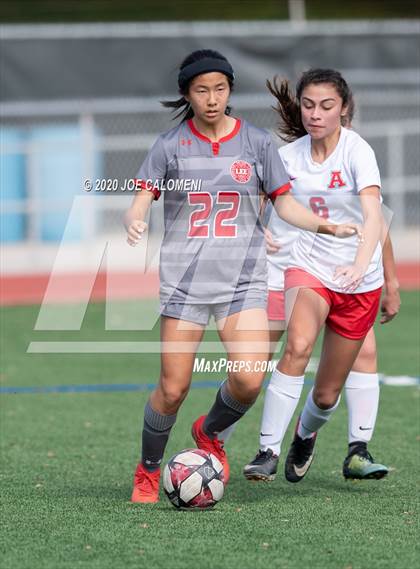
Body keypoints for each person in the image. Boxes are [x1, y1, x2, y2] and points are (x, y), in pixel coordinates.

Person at [124, 52, 359, 503]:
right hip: (185, 284)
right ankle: (148, 470)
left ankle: (209, 430)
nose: (211, 99)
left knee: (250, 379)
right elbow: (143, 194)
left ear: (229, 90)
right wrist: (135, 215)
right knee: (172, 389)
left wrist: (323, 223)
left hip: (243, 281)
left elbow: (284, 203)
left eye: (219, 89)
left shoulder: (255, 143)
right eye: (200, 90)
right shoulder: (170, 144)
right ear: (186, 94)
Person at [241, 68, 396, 484]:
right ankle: (267, 451)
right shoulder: (287, 158)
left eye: (326, 106)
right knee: (299, 344)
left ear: (343, 109)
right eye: (308, 105)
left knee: (327, 393)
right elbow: (255, 204)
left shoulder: (357, 151)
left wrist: (370, 272)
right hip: (307, 268)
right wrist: (260, 234)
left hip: (358, 280)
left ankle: (305, 434)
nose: (315, 114)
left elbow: (374, 218)